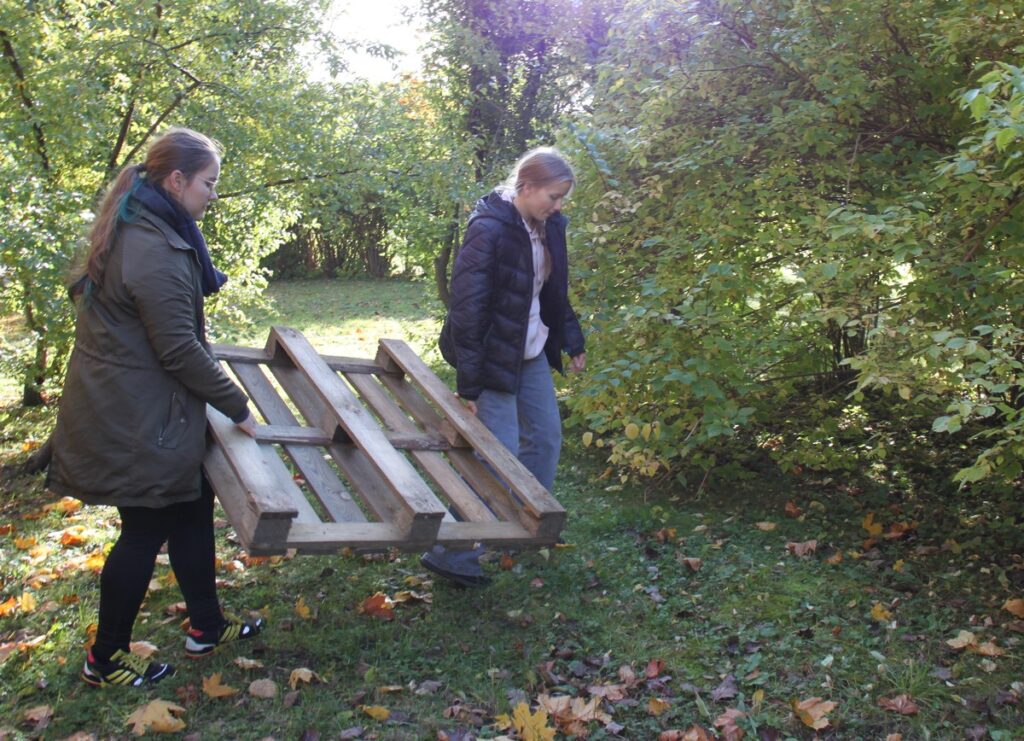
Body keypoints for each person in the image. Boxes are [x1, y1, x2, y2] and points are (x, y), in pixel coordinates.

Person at [47, 128, 263, 688]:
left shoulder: (148, 223)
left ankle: (207, 625)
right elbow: (177, 348)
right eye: (208, 183)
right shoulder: (153, 245)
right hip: (135, 415)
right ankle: (106, 658)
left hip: (141, 404)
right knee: (144, 529)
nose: (212, 195)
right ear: (177, 180)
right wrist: (236, 404)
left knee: (191, 503)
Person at [427, 146, 586, 586]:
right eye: (552, 197)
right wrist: (470, 386)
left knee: (547, 439)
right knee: (499, 456)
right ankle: (453, 551)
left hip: (530, 352)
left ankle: (523, 525)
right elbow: (467, 310)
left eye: (562, 199)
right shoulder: (489, 230)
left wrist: (571, 339)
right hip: (492, 358)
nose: (557, 207)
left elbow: (551, 292)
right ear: (526, 186)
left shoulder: (549, 228)